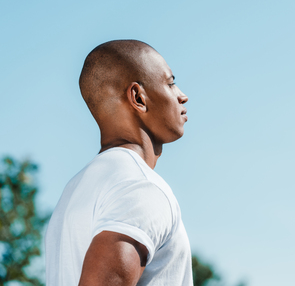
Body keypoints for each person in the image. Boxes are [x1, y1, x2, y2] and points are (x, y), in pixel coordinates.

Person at [45, 40, 193, 286]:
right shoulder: (140, 187)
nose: (182, 96)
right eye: (170, 83)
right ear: (138, 97)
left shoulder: (74, 191)